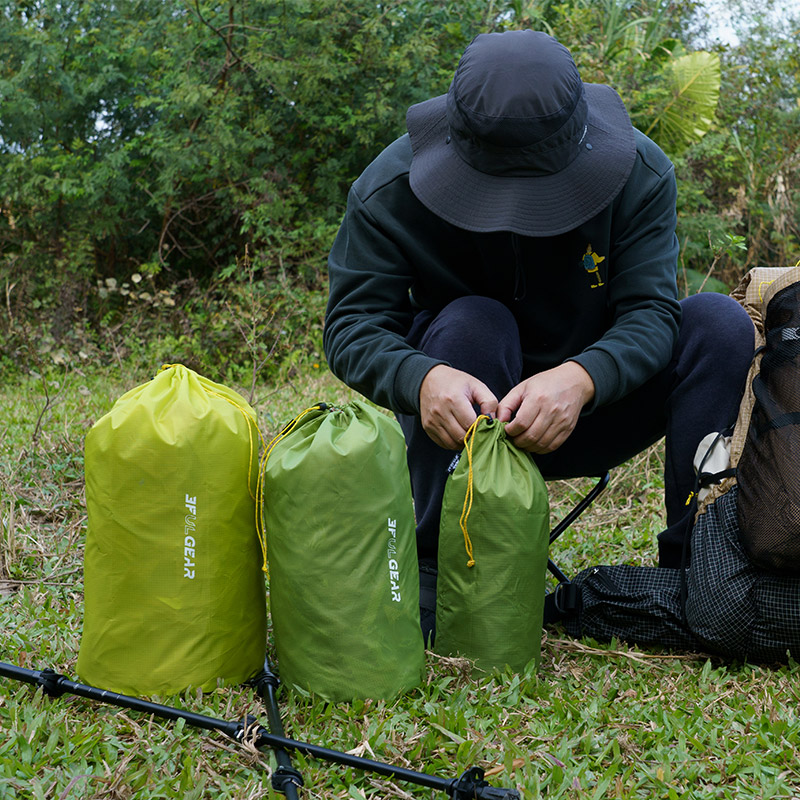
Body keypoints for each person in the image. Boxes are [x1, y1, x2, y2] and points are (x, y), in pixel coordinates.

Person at [323, 29, 755, 641]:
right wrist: (419, 378)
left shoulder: (641, 172)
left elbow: (652, 315)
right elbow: (350, 325)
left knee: (718, 322)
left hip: (593, 411)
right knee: (477, 318)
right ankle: (433, 565)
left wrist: (582, 379)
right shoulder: (389, 191)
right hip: (459, 421)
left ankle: (697, 572)